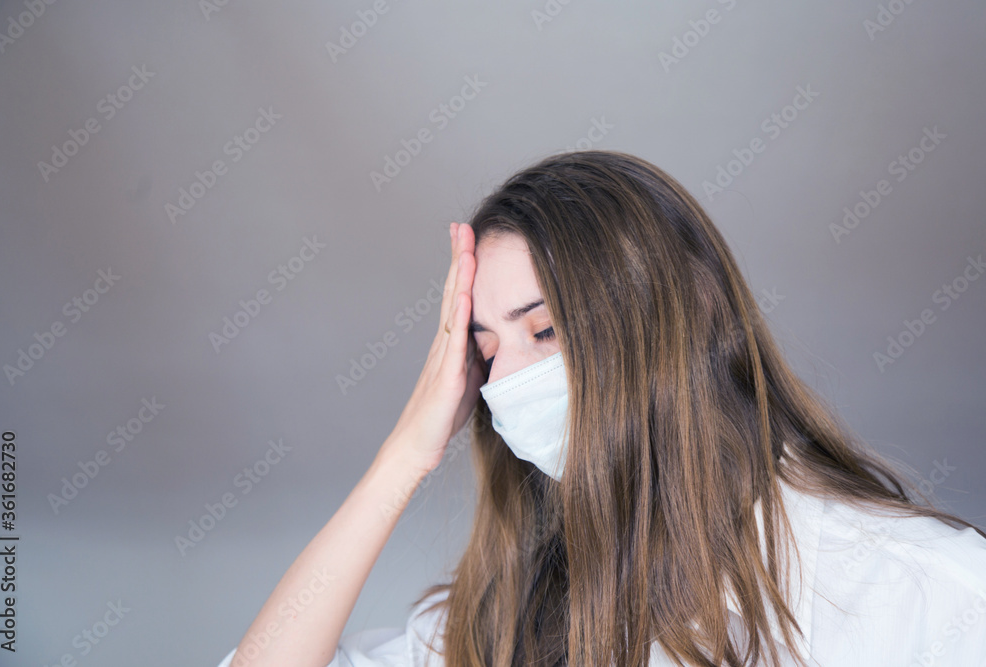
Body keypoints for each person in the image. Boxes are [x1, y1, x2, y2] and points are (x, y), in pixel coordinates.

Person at [214, 150, 986, 667]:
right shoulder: (496, 617)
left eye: (544, 330)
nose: (508, 381)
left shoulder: (919, 590)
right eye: (484, 350)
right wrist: (403, 456)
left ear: (676, 318)